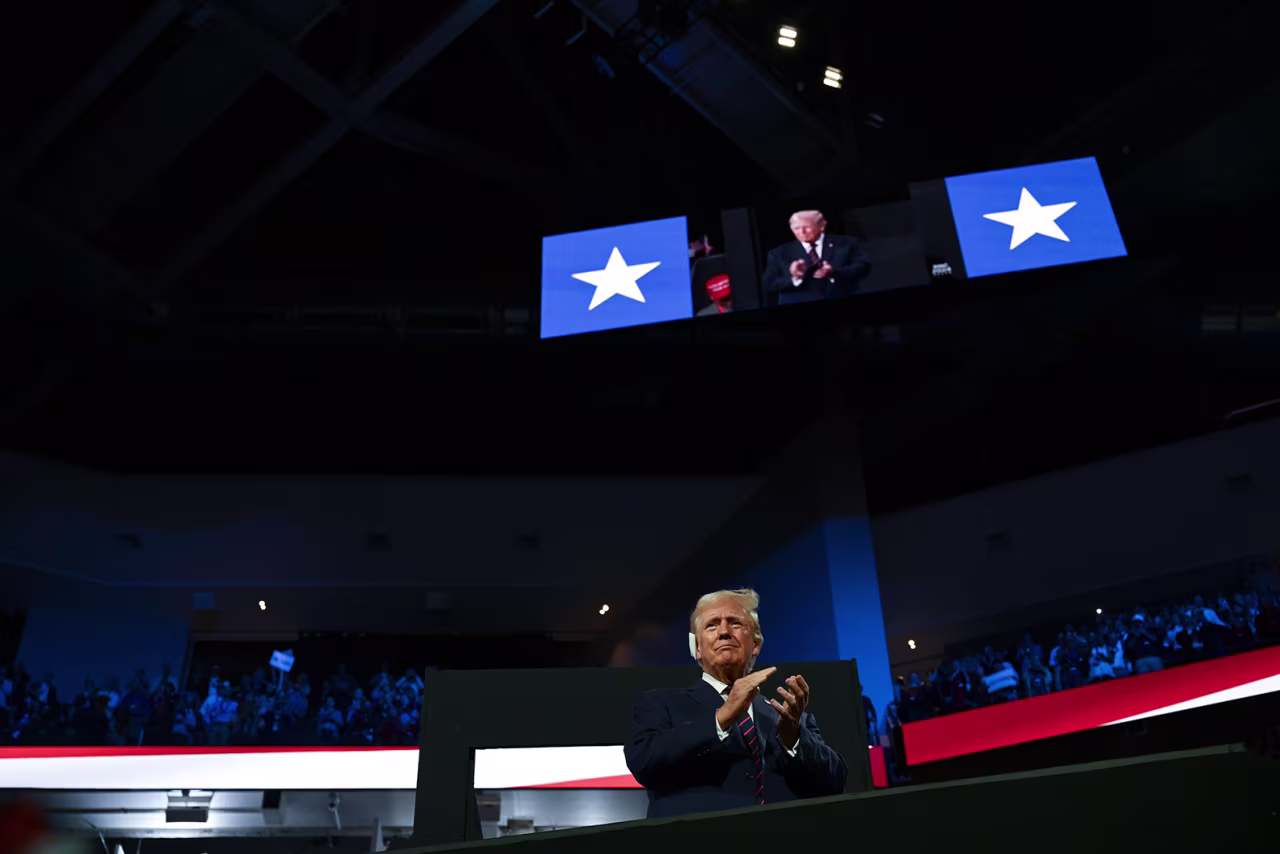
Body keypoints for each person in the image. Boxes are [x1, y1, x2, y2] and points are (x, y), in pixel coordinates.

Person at [624, 588, 847, 818]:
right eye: (711, 625)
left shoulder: (789, 718)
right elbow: (644, 762)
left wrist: (792, 740)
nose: (723, 632)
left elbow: (834, 784)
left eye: (735, 624)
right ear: (697, 649)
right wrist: (721, 718)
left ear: (756, 645)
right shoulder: (661, 703)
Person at [762, 210, 871, 305]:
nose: (801, 232)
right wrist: (795, 278)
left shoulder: (847, 243)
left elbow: (864, 267)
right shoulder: (779, 253)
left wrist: (834, 272)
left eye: (807, 227)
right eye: (796, 228)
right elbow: (769, 284)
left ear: (821, 226)